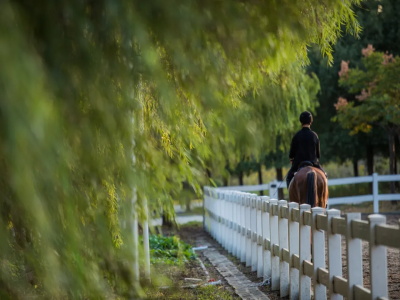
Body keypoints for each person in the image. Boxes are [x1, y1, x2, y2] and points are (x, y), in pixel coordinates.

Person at [286, 111, 326, 188]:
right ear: (311, 121)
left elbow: (291, 154)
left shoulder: (296, 136)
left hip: (298, 164)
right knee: (324, 176)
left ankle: (291, 195)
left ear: (301, 121)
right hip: (313, 163)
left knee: (289, 177)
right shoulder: (314, 135)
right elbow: (318, 155)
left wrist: (292, 159)